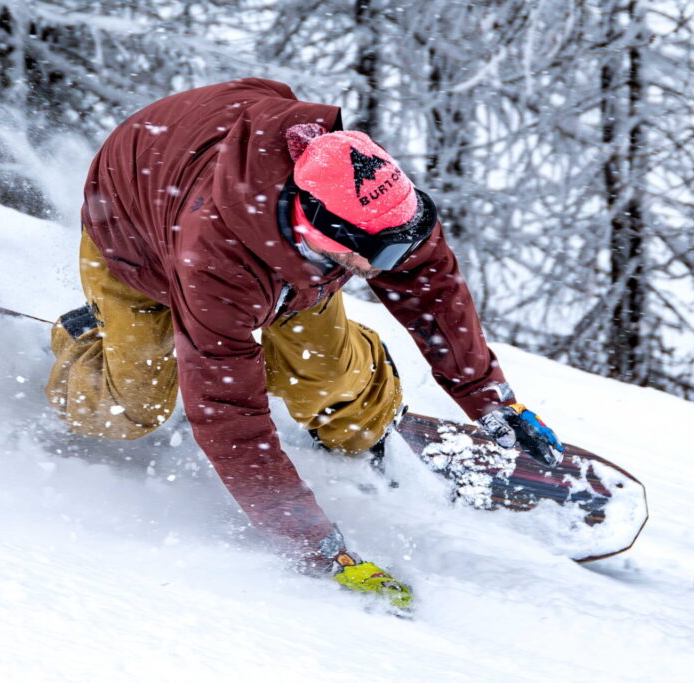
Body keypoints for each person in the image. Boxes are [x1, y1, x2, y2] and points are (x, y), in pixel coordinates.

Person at [46, 79, 563, 612]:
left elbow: (429, 286)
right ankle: (87, 336)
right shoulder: (216, 260)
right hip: (137, 242)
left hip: (275, 254)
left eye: (394, 251)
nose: (386, 269)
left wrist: (488, 396)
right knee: (129, 407)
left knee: (335, 388)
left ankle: (355, 387)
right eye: (375, 259)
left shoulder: (374, 201)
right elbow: (229, 414)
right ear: (316, 228)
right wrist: (309, 540)